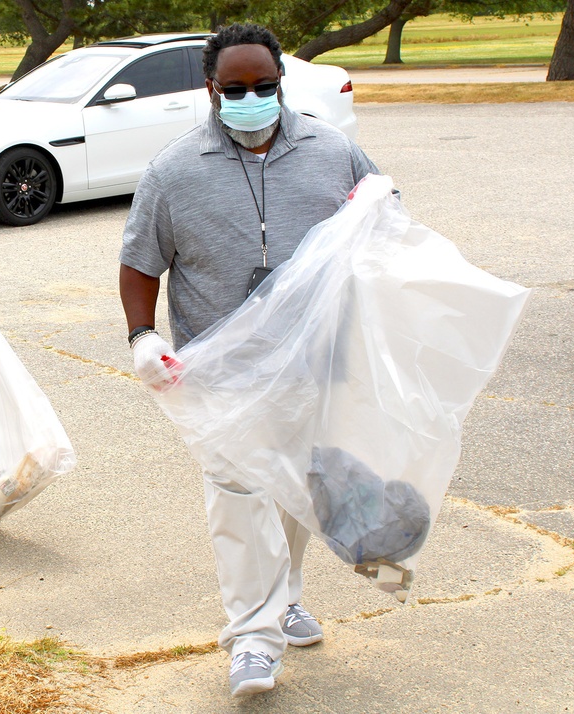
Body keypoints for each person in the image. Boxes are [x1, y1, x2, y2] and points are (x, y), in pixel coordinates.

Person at [119, 23, 384, 697]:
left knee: (294, 493)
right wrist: (143, 336)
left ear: (280, 83)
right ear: (210, 89)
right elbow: (140, 262)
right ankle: (252, 639)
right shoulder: (174, 170)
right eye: (234, 90)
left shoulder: (332, 150)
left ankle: (287, 597)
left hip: (312, 363)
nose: (251, 99)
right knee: (239, 500)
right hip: (220, 374)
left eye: (264, 87)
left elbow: (382, 223)